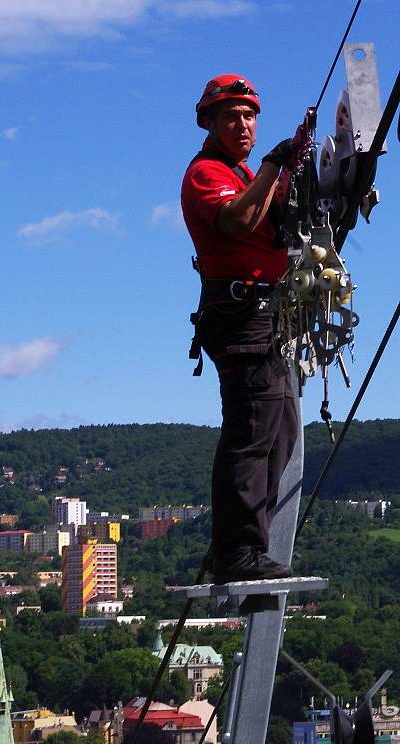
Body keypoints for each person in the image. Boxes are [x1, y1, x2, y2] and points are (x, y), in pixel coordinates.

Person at [181, 73, 299, 584]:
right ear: (209, 121)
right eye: (231, 114)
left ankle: (247, 545)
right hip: (239, 314)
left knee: (281, 429)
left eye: (249, 115)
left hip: (258, 313)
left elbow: (272, 215)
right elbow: (237, 222)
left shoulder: (241, 171)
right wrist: (275, 164)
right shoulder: (209, 172)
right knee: (253, 430)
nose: (243, 123)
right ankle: (237, 551)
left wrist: (288, 171)